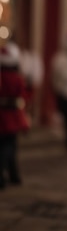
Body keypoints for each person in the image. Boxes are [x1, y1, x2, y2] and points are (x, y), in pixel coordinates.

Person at [0, 41, 30, 189]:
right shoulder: (17, 78)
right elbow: (23, 96)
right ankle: (9, 174)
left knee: (6, 145)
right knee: (9, 145)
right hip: (11, 116)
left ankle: (13, 174)